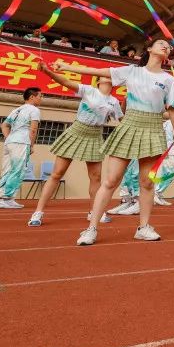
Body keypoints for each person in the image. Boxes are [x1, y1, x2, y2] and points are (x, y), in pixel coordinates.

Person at [65, 39, 174, 246]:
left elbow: (172, 109)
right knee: (111, 181)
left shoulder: (168, 80)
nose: (166, 47)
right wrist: (65, 66)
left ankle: (143, 227)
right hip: (130, 124)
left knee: (147, 183)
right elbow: (98, 71)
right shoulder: (131, 71)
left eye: (168, 46)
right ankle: (91, 228)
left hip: (153, 128)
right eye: (161, 43)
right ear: (149, 49)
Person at [28, 62, 123, 227]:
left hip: (95, 136)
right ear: (98, 80)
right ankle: (38, 212)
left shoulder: (114, 102)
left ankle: (94, 211)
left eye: (110, 75)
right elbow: (64, 81)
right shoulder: (88, 90)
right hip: (77, 131)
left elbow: (123, 120)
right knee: (57, 174)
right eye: (103, 74)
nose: (107, 76)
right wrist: (47, 71)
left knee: (95, 178)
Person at [0, 87, 42, 209]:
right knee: (18, 170)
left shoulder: (16, 110)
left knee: (7, 169)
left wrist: (9, 137)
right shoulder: (34, 110)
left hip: (10, 142)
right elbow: (33, 129)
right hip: (21, 142)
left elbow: (4, 125)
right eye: (40, 96)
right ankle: (7, 198)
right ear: (32, 97)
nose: (41, 99)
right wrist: (31, 145)